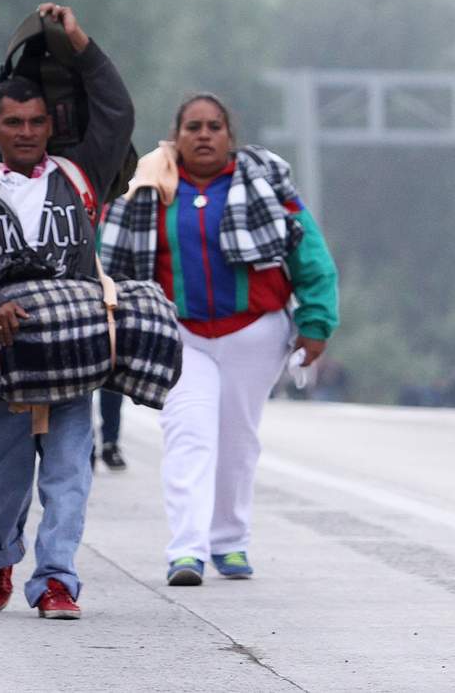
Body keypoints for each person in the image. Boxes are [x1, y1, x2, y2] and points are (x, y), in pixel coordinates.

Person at [0, 3, 133, 619]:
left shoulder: (80, 175)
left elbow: (117, 111)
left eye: (36, 121)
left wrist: (78, 40)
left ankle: (57, 580)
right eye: (13, 122)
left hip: (70, 361)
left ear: (50, 125)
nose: (26, 132)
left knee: (69, 474)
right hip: (1, 366)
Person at [99, 94, 339, 586]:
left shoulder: (266, 185)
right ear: (177, 135)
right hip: (181, 333)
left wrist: (316, 321)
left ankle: (229, 540)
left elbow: (308, 251)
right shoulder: (148, 187)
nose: (204, 135)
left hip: (254, 331)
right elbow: (113, 265)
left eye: (214, 126)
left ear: (230, 136)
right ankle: (186, 549)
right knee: (188, 435)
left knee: (237, 440)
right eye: (193, 127)